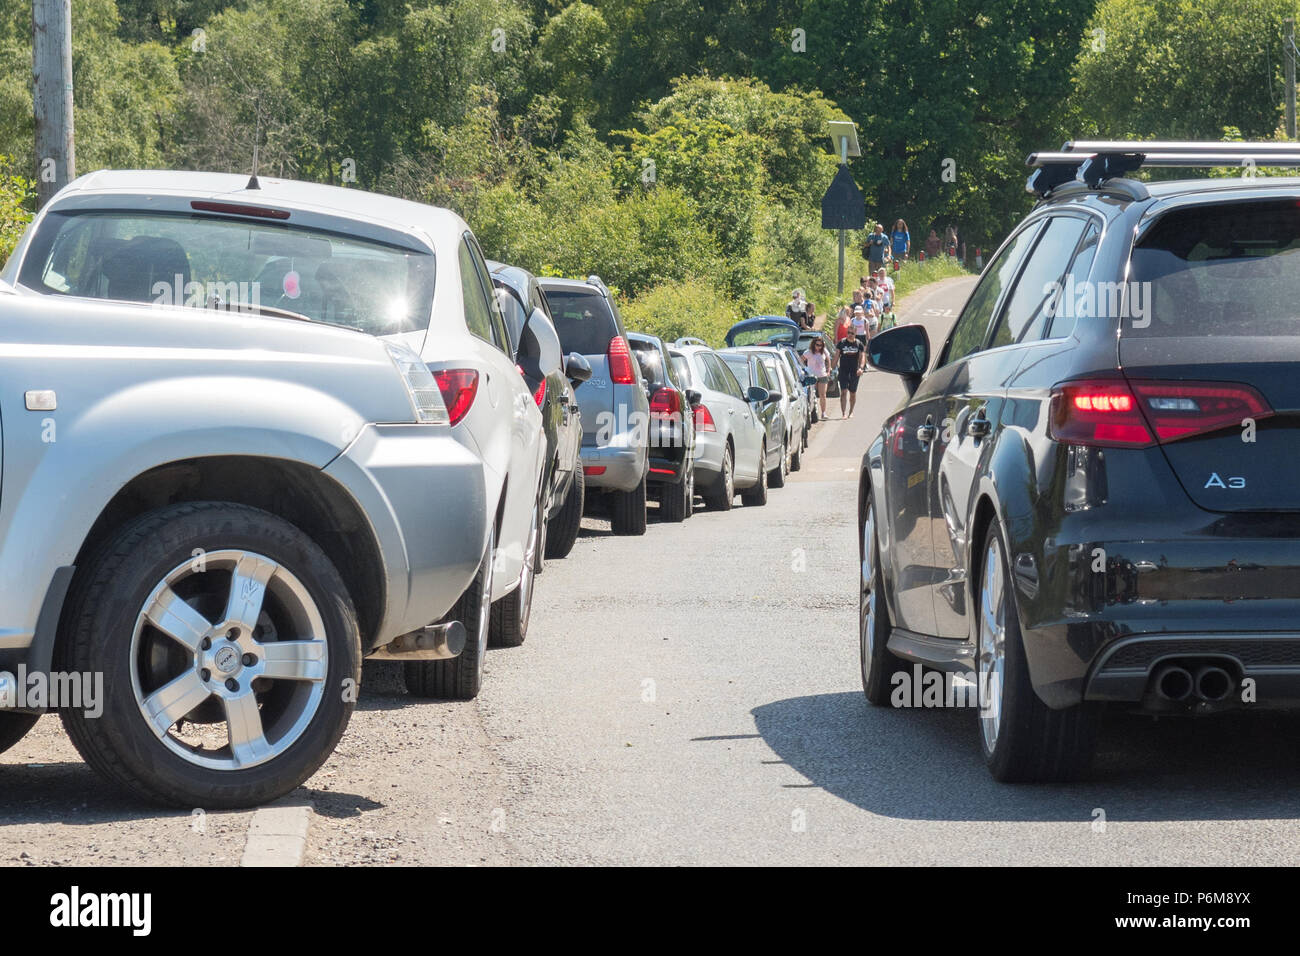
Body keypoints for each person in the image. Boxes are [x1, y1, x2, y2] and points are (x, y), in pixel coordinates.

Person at [834, 326, 866, 418]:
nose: (850, 335)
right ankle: (843, 413)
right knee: (843, 392)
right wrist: (831, 368)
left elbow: (862, 357)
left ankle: (851, 411)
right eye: (848, 332)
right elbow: (836, 356)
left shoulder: (859, 344)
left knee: (852, 393)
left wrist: (861, 368)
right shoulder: (842, 343)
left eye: (852, 333)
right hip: (843, 371)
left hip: (854, 372)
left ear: (855, 334)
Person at [802, 337, 831, 420]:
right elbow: (800, 360)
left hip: (822, 375)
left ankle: (823, 413)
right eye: (817, 345)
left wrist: (828, 370)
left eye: (821, 345)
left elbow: (828, 360)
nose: (819, 347)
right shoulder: (809, 352)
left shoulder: (824, 351)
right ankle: (812, 413)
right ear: (813, 344)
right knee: (812, 394)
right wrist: (805, 370)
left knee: (823, 395)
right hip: (812, 376)